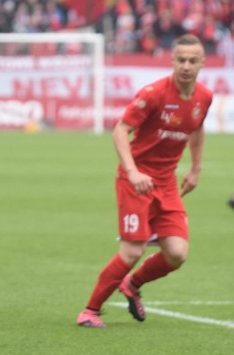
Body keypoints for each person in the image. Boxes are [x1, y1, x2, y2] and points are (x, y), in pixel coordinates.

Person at [77, 34, 212, 328]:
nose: (186, 66)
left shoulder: (204, 97)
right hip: (134, 179)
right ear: (172, 61)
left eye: (192, 60)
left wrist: (196, 169)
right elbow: (119, 130)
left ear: (202, 63)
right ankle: (90, 311)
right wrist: (133, 170)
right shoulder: (153, 93)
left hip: (165, 184)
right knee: (132, 251)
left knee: (177, 254)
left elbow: (198, 130)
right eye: (181, 60)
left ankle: (133, 284)